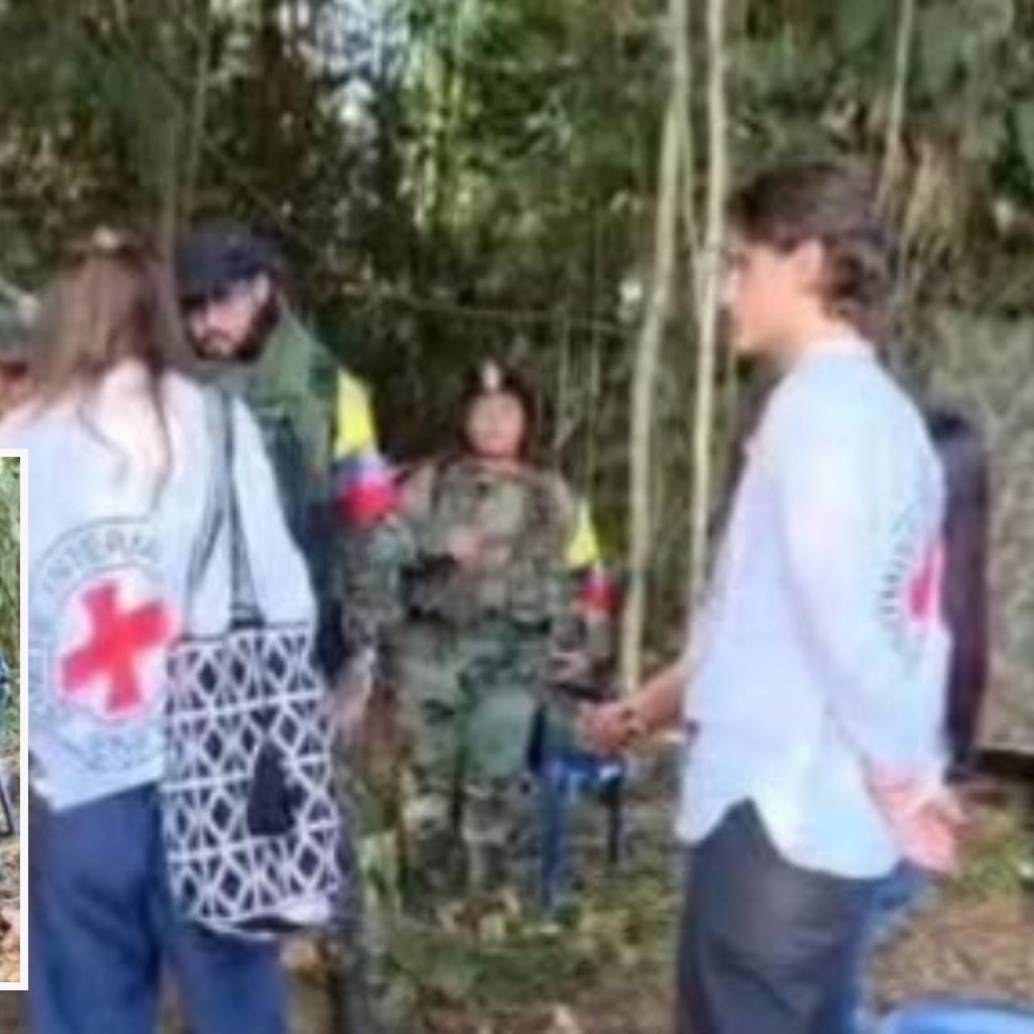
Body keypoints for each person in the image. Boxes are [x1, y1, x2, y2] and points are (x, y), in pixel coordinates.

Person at [584, 161, 963, 1034]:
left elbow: (850, 632)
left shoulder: (821, 416)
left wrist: (904, 777)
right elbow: (880, 625)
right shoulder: (888, 421)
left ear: (807, 263)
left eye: (742, 262)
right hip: (824, 832)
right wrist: (650, 706)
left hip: (779, 831)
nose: (726, 290)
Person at [4, 228, 312, 1034]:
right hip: (212, 780)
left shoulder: (16, 442)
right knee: (240, 1010)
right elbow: (283, 606)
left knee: (83, 1011)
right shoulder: (219, 426)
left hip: (70, 794)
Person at [174, 226, 393, 1031]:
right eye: (192, 307)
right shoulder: (194, 391)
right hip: (216, 667)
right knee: (237, 847)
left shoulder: (334, 389)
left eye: (219, 301)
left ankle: (359, 1011)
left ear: (263, 288)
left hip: (313, 648)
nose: (205, 324)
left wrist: (361, 658)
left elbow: (369, 521)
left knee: (335, 849)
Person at [378, 359, 614, 899]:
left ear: (527, 422)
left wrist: (584, 650)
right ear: (464, 418)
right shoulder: (428, 482)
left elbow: (589, 579)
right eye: (481, 411)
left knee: (494, 780)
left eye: (506, 411)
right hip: (431, 654)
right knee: (427, 784)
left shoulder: (553, 494)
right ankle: (426, 902)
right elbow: (379, 544)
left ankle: (484, 900)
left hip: (514, 659)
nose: (493, 423)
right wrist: (437, 542)